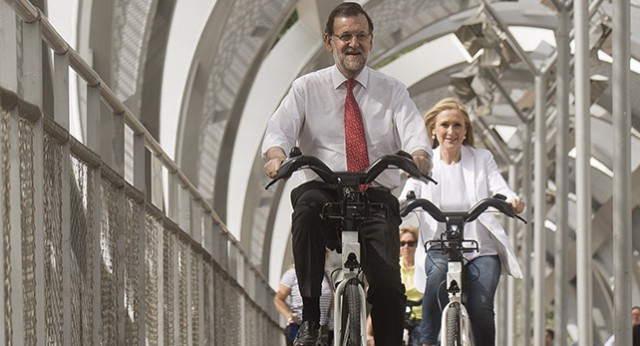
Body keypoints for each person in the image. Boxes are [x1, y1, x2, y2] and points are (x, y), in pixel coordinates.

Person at [261, 2, 433, 345]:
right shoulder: (306, 88)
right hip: (325, 189)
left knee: (387, 284)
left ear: (371, 41)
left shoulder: (392, 90)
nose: (353, 43)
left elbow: (415, 134)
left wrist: (418, 156)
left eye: (361, 36)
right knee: (306, 208)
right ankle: (311, 319)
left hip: (375, 194)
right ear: (329, 42)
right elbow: (278, 132)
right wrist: (276, 155)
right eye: (345, 36)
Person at [399, 97, 525, 346]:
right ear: (433, 130)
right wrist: (403, 202)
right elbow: (409, 191)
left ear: (466, 130)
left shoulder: (481, 159)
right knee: (436, 280)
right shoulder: (425, 164)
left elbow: (500, 188)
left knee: (481, 308)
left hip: (481, 249)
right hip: (438, 246)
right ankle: (427, 342)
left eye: (458, 125)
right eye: (445, 125)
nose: (451, 131)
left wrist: (511, 200)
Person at [365, 226, 424, 346]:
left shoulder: (422, 267)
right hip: (397, 314)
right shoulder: (393, 269)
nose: (406, 247)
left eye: (411, 243)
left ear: (416, 246)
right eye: (402, 243)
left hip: (421, 318)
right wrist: (368, 333)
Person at [274, 264, 334, 346]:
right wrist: (288, 315)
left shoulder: (326, 275)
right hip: (299, 327)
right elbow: (278, 299)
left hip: (321, 330)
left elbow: (332, 302)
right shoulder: (292, 274)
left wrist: (331, 327)